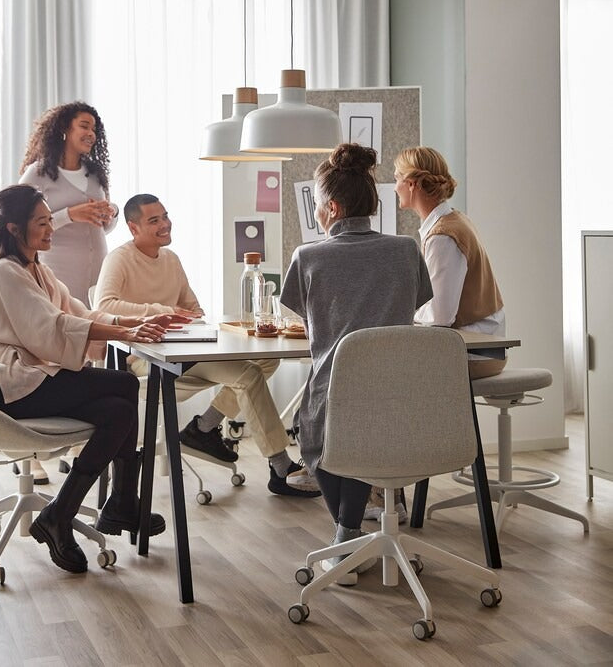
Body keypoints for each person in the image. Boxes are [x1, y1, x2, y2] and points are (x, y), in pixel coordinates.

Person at [0, 184, 187, 574]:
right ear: (13, 229)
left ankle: (64, 512)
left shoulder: (37, 269)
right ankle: (119, 504)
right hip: (10, 386)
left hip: (36, 378)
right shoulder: (7, 272)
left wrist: (135, 323)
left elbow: (79, 312)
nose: (50, 229)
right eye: (41, 223)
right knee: (124, 385)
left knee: (117, 412)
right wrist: (126, 334)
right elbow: (49, 327)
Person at [94, 193, 321, 498]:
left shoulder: (171, 260)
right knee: (249, 375)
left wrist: (191, 314)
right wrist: (163, 311)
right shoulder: (120, 258)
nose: (165, 224)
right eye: (154, 220)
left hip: (185, 350)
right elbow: (104, 305)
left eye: (165, 216)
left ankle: (202, 428)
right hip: (147, 358)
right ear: (134, 228)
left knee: (267, 360)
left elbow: (191, 307)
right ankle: (280, 467)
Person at [280, 143, 432, 585]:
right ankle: (349, 536)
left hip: (336, 393)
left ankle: (346, 538)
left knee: (319, 429)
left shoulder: (308, 257)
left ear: (331, 206)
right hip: (402, 393)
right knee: (358, 426)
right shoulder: (406, 250)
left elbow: (303, 314)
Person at [363, 146, 507, 524]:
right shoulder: (449, 223)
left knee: (376, 381)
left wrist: (401, 312)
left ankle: (385, 490)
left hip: (473, 352)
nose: (393, 187)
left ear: (412, 184)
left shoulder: (443, 235)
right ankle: (386, 488)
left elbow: (441, 315)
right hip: (466, 344)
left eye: (396, 179)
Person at [19, 101, 117, 484]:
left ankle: (76, 442)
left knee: (89, 354)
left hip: (96, 270)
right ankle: (31, 456)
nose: (90, 133)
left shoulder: (95, 174)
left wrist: (104, 217)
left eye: (94, 127)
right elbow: (19, 222)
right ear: (64, 129)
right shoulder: (38, 174)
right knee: (47, 354)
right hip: (55, 271)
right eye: (84, 125)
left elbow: (101, 229)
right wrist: (68, 216)